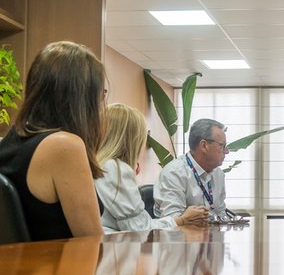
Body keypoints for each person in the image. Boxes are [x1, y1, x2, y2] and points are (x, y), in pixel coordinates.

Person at [0, 41, 105, 241]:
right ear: (83, 97)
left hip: (17, 269)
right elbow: (92, 242)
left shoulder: (14, 138)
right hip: (60, 270)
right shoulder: (64, 146)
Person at [95, 104, 207, 232]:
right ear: (133, 138)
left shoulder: (98, 165)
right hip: (114, 248)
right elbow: (139, 228)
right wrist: (181, 220)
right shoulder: (115, 169)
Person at [154, 118, 228, 222]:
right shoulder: (174, 173)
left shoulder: (218, 174)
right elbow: (171, 220)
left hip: (210, 235)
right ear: (204, 145)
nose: (227, 151)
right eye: (222, 146)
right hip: (179, 237)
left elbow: (220, 212)